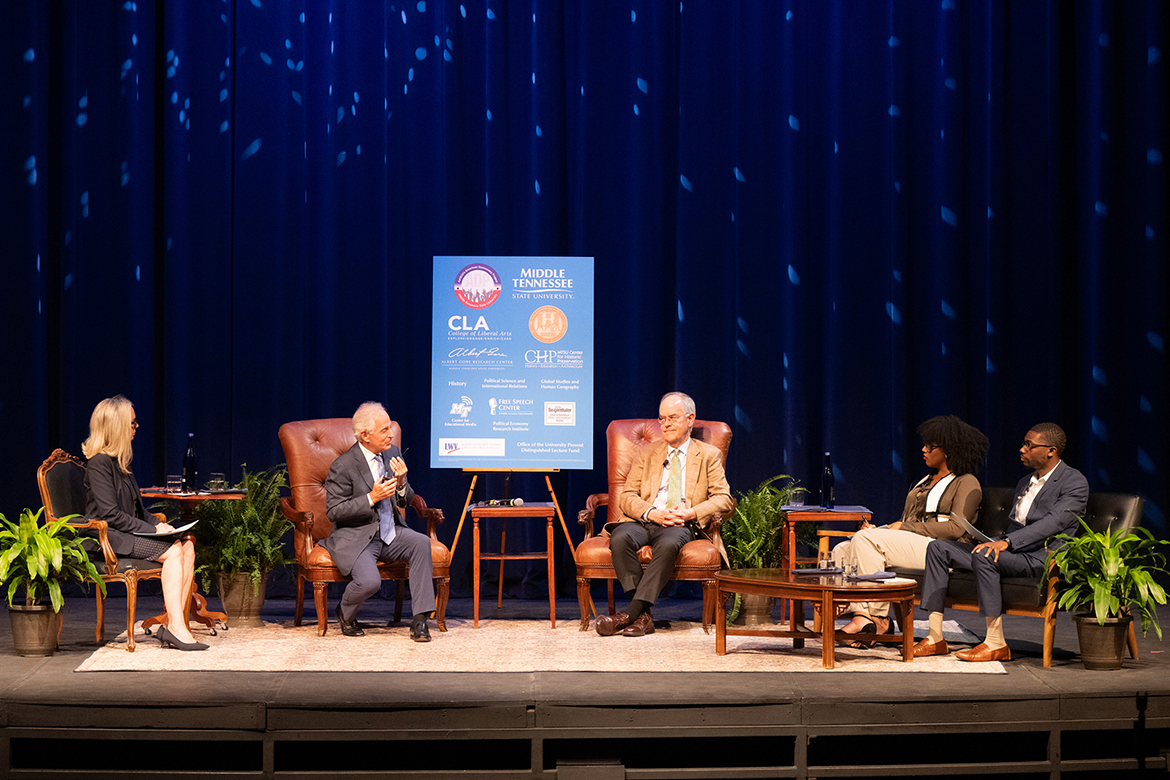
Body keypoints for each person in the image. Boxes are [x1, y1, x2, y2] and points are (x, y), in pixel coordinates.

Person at [914, 423, 1089, 662]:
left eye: (1029, 445)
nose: (1022, 449)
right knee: (938, 548)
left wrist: (1006, 542)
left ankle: (996, 643)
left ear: (1051, 450)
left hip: (1041, 557)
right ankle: (935, 637)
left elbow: (1054, 523)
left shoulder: (1073, 482)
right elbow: (1016, 525)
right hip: (1014, 552)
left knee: (985, 555)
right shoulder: (1025, 482)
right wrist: (987, 539)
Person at [831, 415, 989, 647]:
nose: (924, 449)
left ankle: (872, 617)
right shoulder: (925, 481)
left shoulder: (966, 482)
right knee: (843, 548)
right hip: (914, 544)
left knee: (865, 541)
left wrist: (902, 528)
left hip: (942, 550)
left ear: (948, 450)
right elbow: (906, 522)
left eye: (930, 446)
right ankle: (869, 619)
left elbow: (956, 528)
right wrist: (879, 530)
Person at [595, 392, 734, 638]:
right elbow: (627, 496)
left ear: (690, 419)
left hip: (680, 523)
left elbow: (723, 499)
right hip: (646, 519)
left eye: (672, 417)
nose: (666, 424)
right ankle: (643, 617)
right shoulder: (647, 453)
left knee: (669, 543)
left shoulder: (708, 455)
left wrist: (691, 512)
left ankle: (629, 614)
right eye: (662, 419)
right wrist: (652, 513)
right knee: (620, 537)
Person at [82, 396, 206, 651]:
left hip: (125, 532)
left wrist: (163, 527)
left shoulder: (120, 464)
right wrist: (153, 530)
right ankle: (177, 629)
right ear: (116, 427)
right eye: (132, 423)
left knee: (187, 547)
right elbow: (109, 515)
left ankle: (175, 623)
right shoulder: (98, 464)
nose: (136, 428)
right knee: (172, 552)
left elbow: (138, 511)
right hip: (108, 537)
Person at [324, 402, 436, 641]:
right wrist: (371, 498)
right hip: (357, 536)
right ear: (365, 435)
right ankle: (344, 612)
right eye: (384, 430)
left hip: (390, 532)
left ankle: (420, 620)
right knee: (369, 582)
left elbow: (406, 501)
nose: (391, 434)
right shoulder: (342, 466)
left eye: (390, 429)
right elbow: (334, 511)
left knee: (421, 543)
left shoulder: (392, 453)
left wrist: (403, 483)